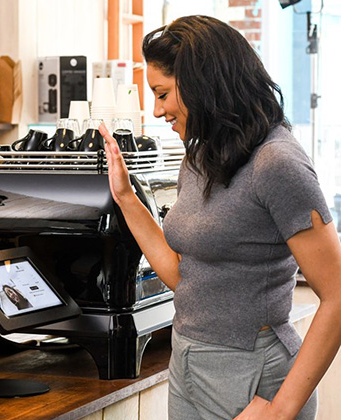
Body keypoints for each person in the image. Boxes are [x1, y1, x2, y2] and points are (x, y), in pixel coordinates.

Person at [100, 15, 341, 420]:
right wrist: (125, 197)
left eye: (162, 94)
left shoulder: (277, 163)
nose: (157, 110)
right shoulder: (200, 155)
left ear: (202, 84)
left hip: (253, 377)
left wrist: (281, 410)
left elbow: (337, 294)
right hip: (188, 365)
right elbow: (184, 276)